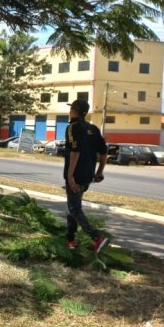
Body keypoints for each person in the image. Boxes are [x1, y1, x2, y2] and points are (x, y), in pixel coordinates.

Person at [64, 99, 109, 253]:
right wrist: (99, 172)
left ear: (75, 111)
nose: (70, 112)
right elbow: (104, 153)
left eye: (71, 109)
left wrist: (70, 176)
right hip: (88, 175)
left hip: (75, 176)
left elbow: (74, 152)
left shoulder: (72, 127)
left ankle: (97, 237)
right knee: (73, 207)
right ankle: (70, 240)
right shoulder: (94, 129)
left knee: (75, 209)